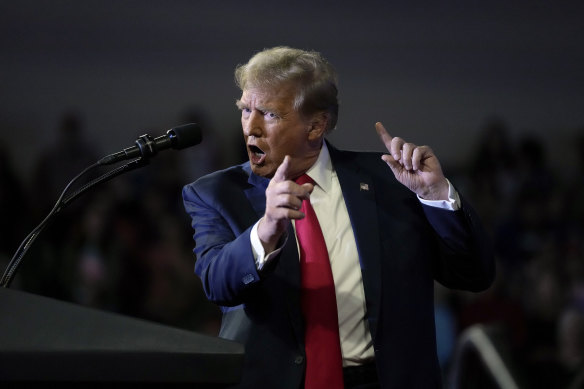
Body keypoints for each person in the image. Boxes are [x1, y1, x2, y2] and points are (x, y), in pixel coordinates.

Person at [182, 46, 495, 388]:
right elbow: (217, 284)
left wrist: (436, 197)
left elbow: (474, 274)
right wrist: (266, 229)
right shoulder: (215, 193)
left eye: (269, 114)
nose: (250, 128)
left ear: (315, 126)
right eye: (246, 110)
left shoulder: (392, 182)